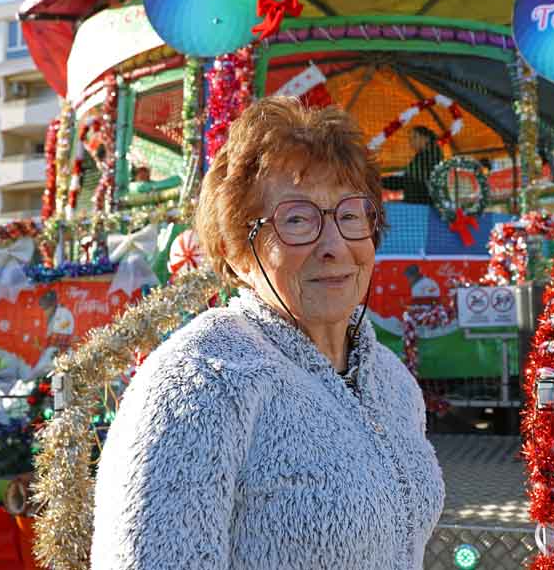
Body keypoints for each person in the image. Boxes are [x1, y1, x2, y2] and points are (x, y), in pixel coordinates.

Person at [90, 97, 445, 570]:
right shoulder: (202, 382)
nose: (335, 246)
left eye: (351, 215)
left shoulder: (393, 382)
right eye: (297, 220)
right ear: (237, 252)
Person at [381, 125, 443, 205]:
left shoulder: (432, 154)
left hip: (423, 203)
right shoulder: (422, 155)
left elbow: (412, 180)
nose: (411, 142)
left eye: (414, 137)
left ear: (426, 138)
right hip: (418, 201)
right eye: (410, 139)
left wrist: (382, 182)